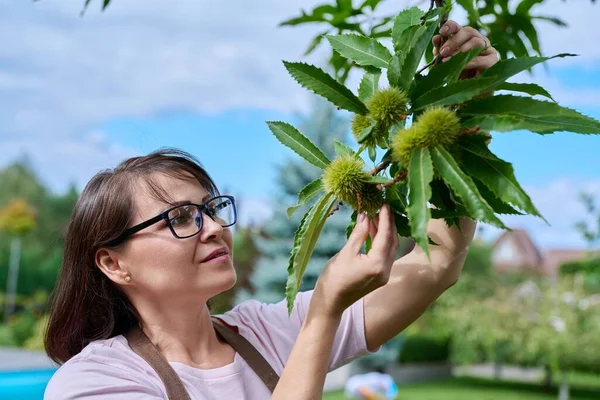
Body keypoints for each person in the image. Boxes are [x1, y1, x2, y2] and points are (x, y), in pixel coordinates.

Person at [43, 21, 495, 400]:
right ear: (113, 262)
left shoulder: (264, 331)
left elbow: (438, 262)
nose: (215, 228)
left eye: (213, 208)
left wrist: (462, 117)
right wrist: (322, 316)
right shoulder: (94, 383)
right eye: (181, 217)